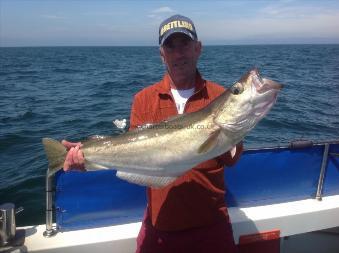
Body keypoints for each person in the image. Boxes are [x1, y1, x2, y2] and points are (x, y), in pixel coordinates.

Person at [63, 14, 243, 253]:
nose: (179, 54)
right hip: (161, 225)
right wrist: (88, 159)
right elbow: (134, 158)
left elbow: (230, 160)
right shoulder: (144, 99)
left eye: (185, 45)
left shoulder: (219, 95)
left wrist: (238, 129)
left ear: (198, 48)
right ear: (162, 54)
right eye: (171, 46)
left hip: (212, 225)